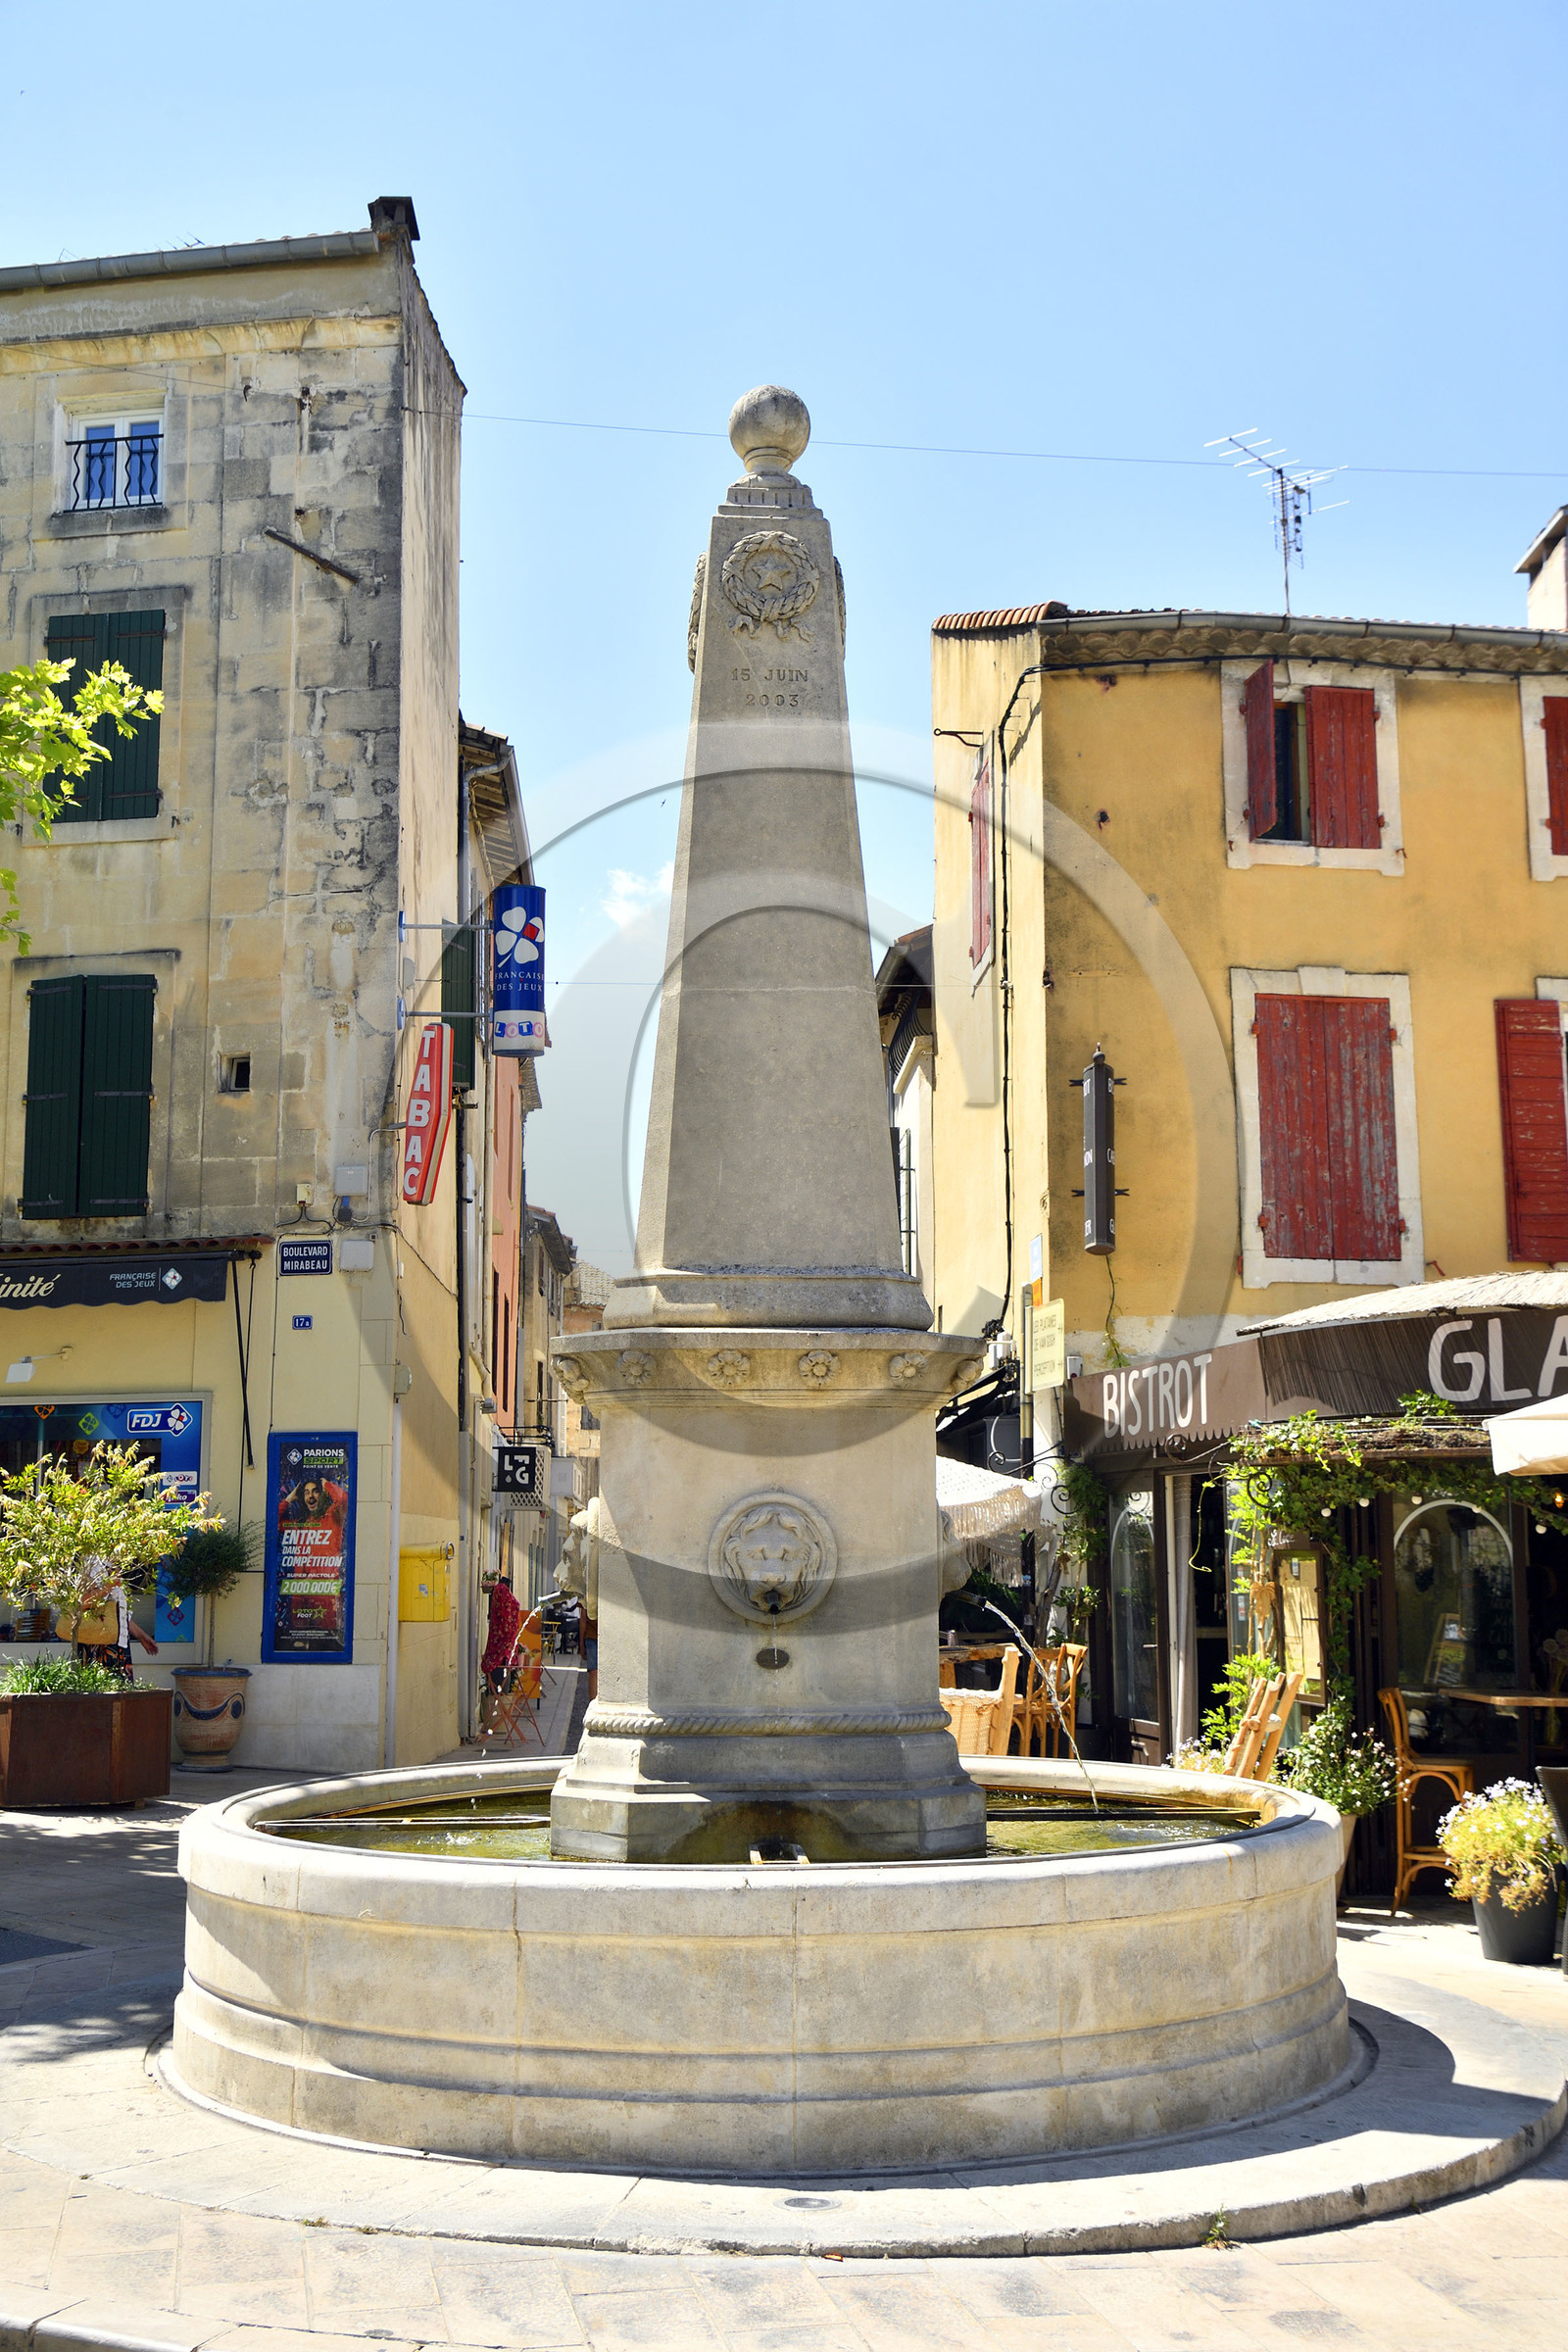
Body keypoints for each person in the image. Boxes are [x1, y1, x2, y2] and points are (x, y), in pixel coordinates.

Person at [75, 1583, 158, 1686]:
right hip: (97, 1642)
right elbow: (81, 1603)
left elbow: (119, 1614)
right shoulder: (94, 1568)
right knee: (97, 1694)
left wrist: (140, 1635)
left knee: (121, 1694)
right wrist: (111, 1583)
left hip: (118, 1644)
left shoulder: (116, 1570)